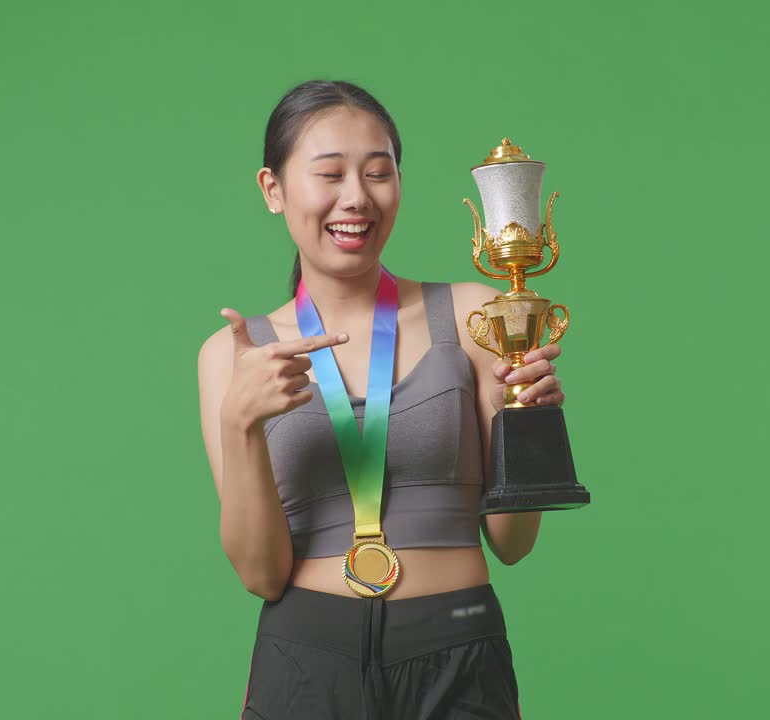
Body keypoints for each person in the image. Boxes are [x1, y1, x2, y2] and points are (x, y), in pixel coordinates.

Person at [197, 80, 567, 720]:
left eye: (378, 173)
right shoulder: (232, 354)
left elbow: (512, 542)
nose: (356, 198)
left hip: (459, 647)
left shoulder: (479, 316)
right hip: (306, 659)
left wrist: (528, 420)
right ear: (273, 190)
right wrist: (241, 425)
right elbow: (261, 575)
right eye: (330, 174)